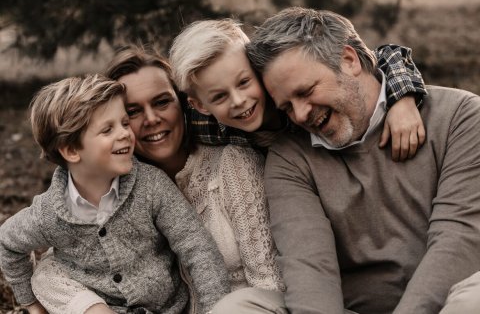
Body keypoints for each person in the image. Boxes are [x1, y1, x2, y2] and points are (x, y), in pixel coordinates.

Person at [244, 7, 480, 314]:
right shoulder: (290, 157)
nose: (300, 115)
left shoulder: (459, 116)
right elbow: (310, 268)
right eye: (287, 107)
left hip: (451, 301)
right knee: (241, 306)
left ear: (349, 60)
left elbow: (459, 239)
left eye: (306, 92)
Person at [29, 46, 286, 314]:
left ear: (184, 103)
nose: (152, 119)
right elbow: (52, 268)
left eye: (162, 102)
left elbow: (269, 283)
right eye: (133, 111)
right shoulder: (124, 189)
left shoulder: (232, 165)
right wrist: (89, 308)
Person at [0, 75, 230, 314]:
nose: (125, 134)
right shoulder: (49, 213)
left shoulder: (151, 186)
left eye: (124, 123)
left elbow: (197, 247)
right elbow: (8, 243)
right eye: (108, 129)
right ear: (71, 150)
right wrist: (30, 303)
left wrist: (215, 308)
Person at [169, 18, 426, 160]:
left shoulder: (292, 92)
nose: (238, 101)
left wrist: (402, 98)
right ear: (202, 106)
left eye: (244, 82)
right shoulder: (205, 122)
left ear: (257, 68)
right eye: (219, 96)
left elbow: (384, 55)